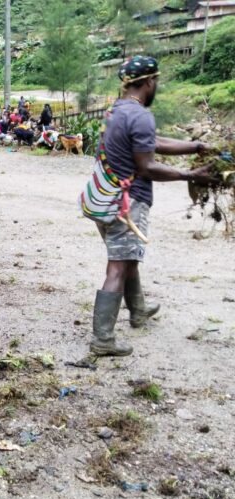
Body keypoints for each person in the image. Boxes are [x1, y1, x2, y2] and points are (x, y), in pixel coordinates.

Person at [86, 56, 217, 356]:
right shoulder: (141, 115)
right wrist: (190, 174)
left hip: (105, 199)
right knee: (118, 266)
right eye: (156, 81)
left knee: (127, 257)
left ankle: (139, 310)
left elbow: (152, 141)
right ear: (148, 82)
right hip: (127, 206)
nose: (156, 86)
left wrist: (195, 146)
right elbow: (147, 166)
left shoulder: (117, 110)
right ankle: (102, 340)